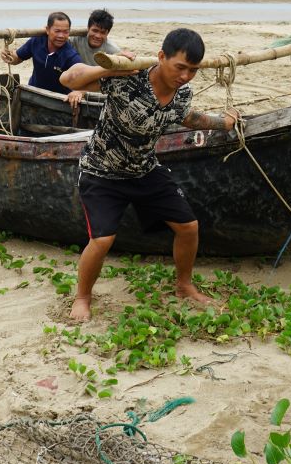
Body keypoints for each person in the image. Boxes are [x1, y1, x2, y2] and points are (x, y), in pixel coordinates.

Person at [59, 28, 239, 322]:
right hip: (101, 171)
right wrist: (108, 66)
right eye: (180, 67)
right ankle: (82, 297)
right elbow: (68, 78)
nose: (185, 76)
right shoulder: (127, 78)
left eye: (192, 70)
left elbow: (188, 117)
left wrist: (224, 123)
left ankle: (184, 285)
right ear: (161, 57)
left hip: (143, 169)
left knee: (188, 226)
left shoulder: (182, 93)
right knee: (103, 240)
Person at [0, 12, 83, 105]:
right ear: (47, 30)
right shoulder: (37, 41)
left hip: (59, 101)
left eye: (65, 32)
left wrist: (79, 92)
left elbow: (85, 79)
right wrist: (8, 56)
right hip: (33, 94)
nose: (61, 36)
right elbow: (18, 58)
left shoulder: (70, 55)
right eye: (57, 31)